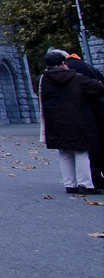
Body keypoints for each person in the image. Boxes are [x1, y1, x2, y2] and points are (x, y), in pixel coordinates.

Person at [39, 50, 104, 194]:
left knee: (65, 154)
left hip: (56, 122)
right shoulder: (75, 77)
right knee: (81, 152)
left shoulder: (45, 80)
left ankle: (70, 184)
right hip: (78, 120)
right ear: (63, 63)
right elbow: (99, 88)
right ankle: (85, 184)